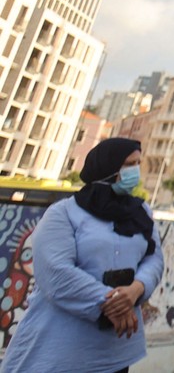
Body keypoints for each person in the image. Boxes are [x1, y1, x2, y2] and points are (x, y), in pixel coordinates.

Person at [0, 137, 162, 373]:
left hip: (114, 351)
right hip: (61, 347)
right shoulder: (64, 213)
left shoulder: (140, 212)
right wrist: (113, 302)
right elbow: (55, 273)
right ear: (108, 166)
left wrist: (137, 288)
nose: (135, 170)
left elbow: (154, 257)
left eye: (138, 163)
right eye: (129, 164)